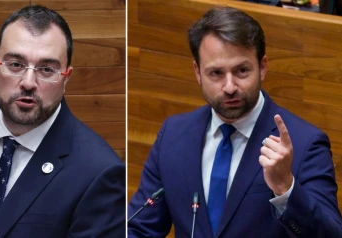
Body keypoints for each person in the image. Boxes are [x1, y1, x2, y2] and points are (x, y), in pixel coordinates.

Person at [128, 6, 342, 238]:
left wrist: (285, 188)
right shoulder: (173, 135)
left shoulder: (305, 143)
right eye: (216, 73)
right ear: (197, 72)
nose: (229, 87)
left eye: (241, 71)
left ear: (262, 67)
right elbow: (140, 227)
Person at [0, 5, 125, 238]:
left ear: (66, 78)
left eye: (46, 69)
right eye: (15, 65)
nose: (28, 82)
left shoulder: (97, 173)